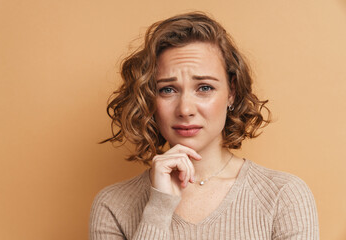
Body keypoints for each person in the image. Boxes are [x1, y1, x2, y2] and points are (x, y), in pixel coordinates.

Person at [89, 12, 319, 240]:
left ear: (232, 93)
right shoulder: (113, 205)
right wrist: (159, 207)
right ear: (149, 98)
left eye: (205, 87)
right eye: (167, 89)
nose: (185, 109)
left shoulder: (284, 195)